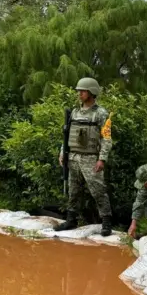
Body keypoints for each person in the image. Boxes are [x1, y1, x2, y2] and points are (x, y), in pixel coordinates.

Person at [56, 77, 113, 236]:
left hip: (90, 158)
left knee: (98, 191)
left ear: (92, 92)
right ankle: (71, 220)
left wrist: (102, 158)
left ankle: (106, 222)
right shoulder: (74, 112)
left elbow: (106, 138)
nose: (79, 93)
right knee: (73, 191)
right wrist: (63, 152)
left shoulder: (101, 114)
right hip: (73, 156)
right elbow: (67, 135)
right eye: (79, 91)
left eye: (83, 91)